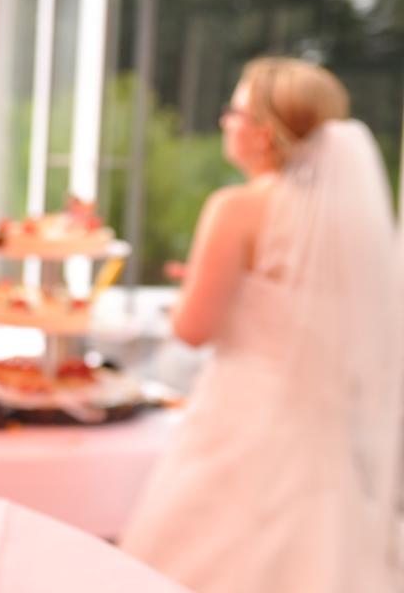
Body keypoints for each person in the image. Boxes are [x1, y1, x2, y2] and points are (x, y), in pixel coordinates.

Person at [120, 57, 403, 592]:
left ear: (264, 133)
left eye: (235, 110)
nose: (225, 121)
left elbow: (193, 329)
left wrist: (193, 290)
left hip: (241, 421)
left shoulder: (236, 208)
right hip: (323, 435)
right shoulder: (356, 228)